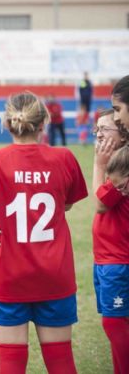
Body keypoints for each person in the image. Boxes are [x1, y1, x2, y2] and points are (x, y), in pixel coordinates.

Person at [0, 91, 88, 374]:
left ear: (7, 123)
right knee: (61, 361)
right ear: (43, 124)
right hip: (54, 274)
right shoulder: (64, 157)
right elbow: (68, 203)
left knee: (11, 363)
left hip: (8, 274)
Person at [91, 111, 129, 374]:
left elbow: (100, 203)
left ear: (123, 132)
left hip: (118, 261)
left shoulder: (121, 163)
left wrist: (99, 164)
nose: (99, 134)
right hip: (108, 259)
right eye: (97, 129)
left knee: (114, 323)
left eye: (105, 129)